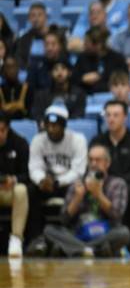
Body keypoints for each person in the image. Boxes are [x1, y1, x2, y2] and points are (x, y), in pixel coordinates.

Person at [43, 144, 130, 257]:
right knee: (49, 230)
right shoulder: (78, 183)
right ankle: (94, 250)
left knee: (124, 233)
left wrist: (98, 194)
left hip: (105, 232)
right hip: (79, 233)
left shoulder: (118, 184)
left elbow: (117, 215)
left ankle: (78, 249)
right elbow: (64, 219)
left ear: (107, 163)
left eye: (98, 160)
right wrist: (77, 198)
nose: (93, 164)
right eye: (90, 160)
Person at [26, 105, 87, 255]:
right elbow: (34, 166)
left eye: (55, 126)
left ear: (64, 125)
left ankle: (68, 237)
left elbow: (78, 170)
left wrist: (58, 182)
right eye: (48, 125)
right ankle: (37, 238)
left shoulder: (77, 140)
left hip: (67, 182)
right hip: (45, 183)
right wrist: (41, 180)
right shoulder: (38, 140)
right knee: (30, 191)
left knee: (78, 189)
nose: (51, 129)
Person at [91, 100, 130, 192]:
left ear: (125, 117)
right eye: (108, 115)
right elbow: (91, 167)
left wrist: (116, 182)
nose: (111, 119)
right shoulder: (97, 141)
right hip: (103, 183)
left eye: (116, 115)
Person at [0, 112, 30, 257]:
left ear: (8, 129)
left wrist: (14, 179)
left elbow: (28, 174)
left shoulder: (20, 143)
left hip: (10, 191)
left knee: (21, 189)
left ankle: (16, 238)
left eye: (1, 130)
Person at [73, 26, 129, 94]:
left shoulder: (117, 59)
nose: (84, 45)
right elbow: (73, 78)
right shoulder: (82, 58)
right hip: (87, 96)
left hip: (111, 95)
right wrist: (83, 79)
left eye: (87, 42)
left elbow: (124, 79)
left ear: (98, 44)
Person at [14, 2, 49, 70]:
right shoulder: (23, 39)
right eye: (33, 15)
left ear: (46, 17)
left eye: (39, 15)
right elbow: (19, 59)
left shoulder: (54, 37)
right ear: (29, 19)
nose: (36, 19)